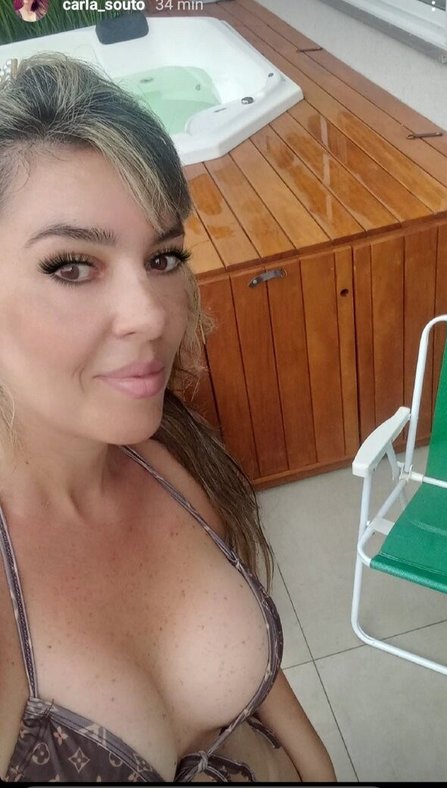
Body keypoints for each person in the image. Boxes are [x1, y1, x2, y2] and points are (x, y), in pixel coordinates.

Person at [0, 52, 337, 783]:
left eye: (163, 258)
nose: (152, 316)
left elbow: (274, 698)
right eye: (71, 265)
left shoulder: (169, 456)